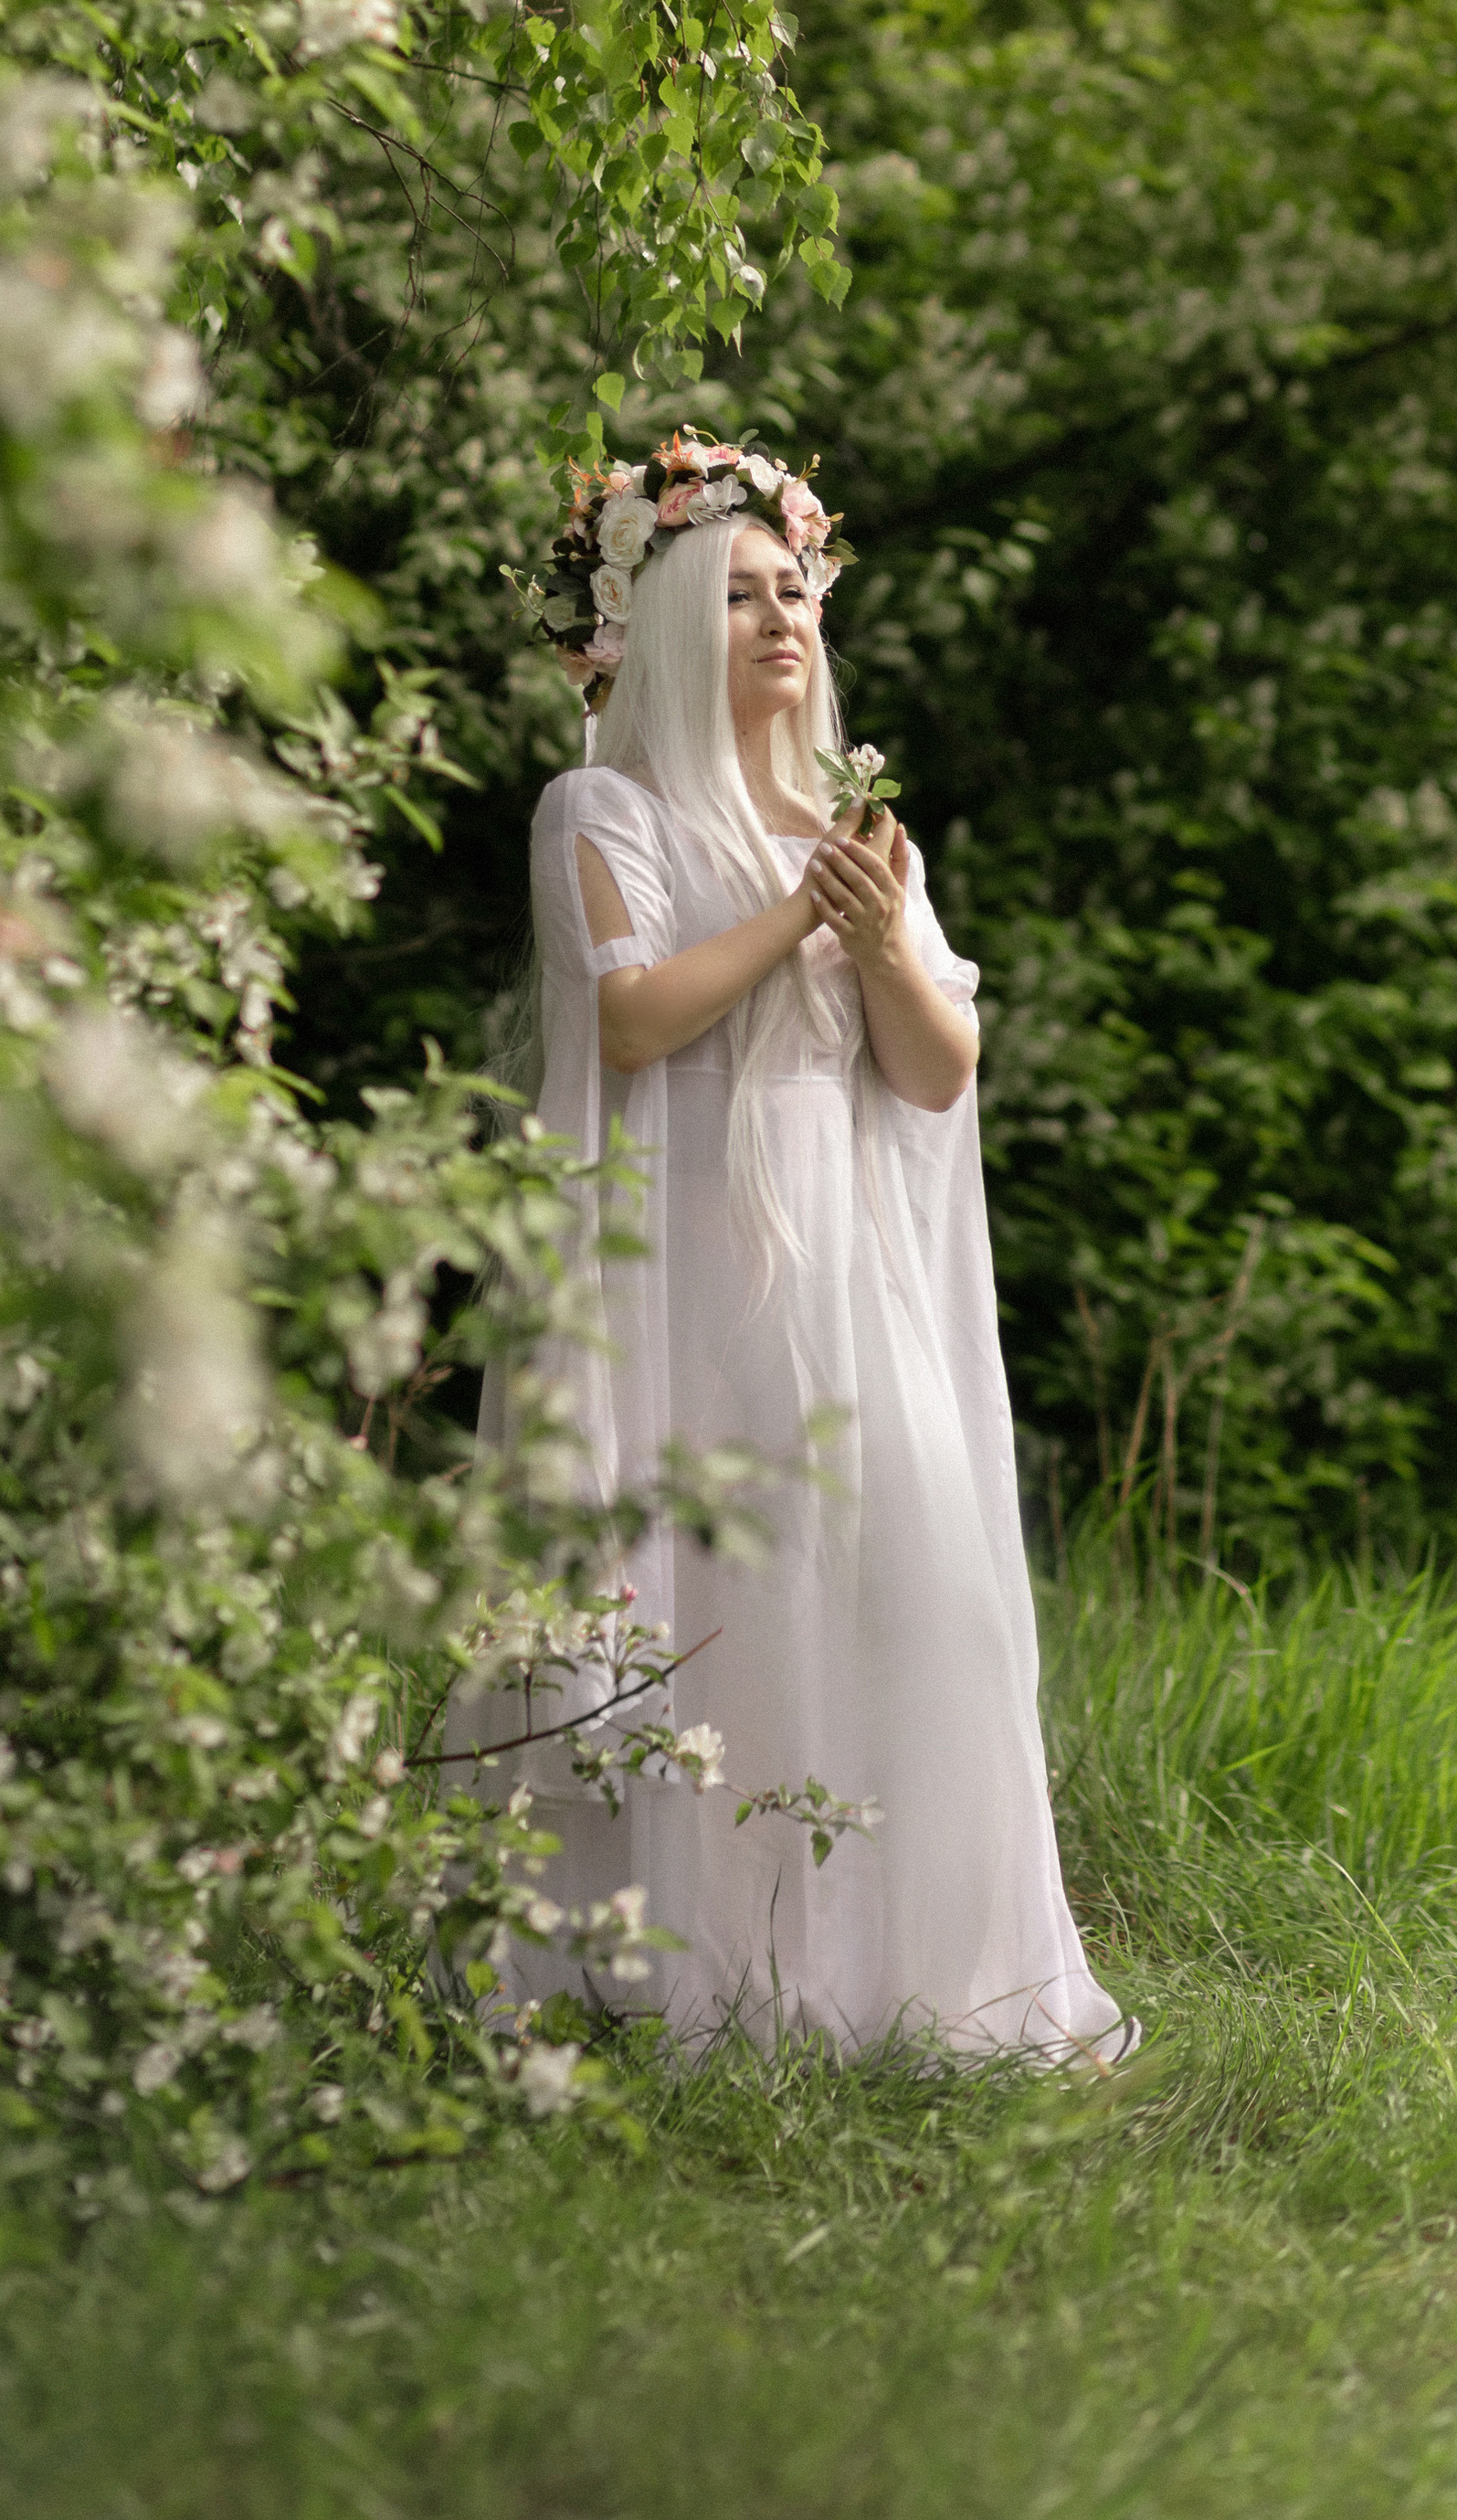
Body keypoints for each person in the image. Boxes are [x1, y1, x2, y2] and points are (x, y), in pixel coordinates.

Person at [480, 431, 1131, 2063]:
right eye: (743, 594)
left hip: (855, 1280)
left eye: (799, 592)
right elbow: (632, 1021)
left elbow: (933, 1070)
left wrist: (878, 930)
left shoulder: (860, 827)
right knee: (719, 1599)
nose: (784, 620)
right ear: (668, 622)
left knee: (911, 1599)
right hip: (691, 1281)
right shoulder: (602, 808)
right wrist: (801, 913)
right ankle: (673, 1981)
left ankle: (888, 1979)